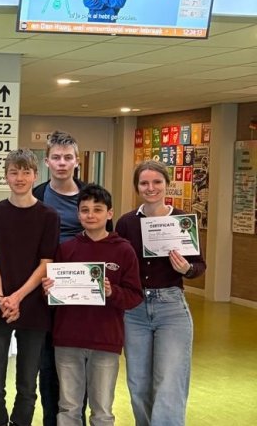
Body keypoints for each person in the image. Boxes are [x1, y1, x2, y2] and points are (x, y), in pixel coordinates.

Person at [41, 184, 143, 426]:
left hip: (105, 340)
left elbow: (134, 296)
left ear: (109, 213)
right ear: (78, 214)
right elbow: (53, 300)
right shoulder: (66, 249)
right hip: (68, 339)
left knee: (102, 410)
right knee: (68, 407)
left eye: (97, 209)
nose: (90, 215)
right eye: (85, 210)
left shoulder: (124, 250)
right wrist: (49, 291)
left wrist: (112, 291)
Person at [115, 160, 206, 426]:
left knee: (170, 382)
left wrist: (187, 268)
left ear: (167, 184)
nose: (151, 188)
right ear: (137, 187)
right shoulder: (126, 223)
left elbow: (199, 265)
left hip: (171, 307)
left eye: (157, 182)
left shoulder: (182, 221)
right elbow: (117, 263)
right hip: (135, 309)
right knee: (138, 383)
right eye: (144, 183)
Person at [33, 131, 107, 426]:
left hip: (83, 296)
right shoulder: (37, 196)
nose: (62, 163)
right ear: (47, 162)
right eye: (56, 157)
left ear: (77, 161)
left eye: (67, 157)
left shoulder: (93, 196)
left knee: (82, 366)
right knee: (49, 367)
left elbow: (106, 241)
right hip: (47, 294)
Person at [0, 148, 59, 426]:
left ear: (36, 175)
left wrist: (17, 297)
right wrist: (2, 297)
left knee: (27, 386)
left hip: (34, 307)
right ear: (5, 176)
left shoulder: (49, 215)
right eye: (14, 172)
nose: (20, 178)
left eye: (26, 172)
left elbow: (46, 263)